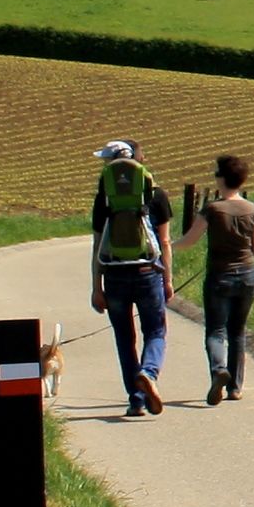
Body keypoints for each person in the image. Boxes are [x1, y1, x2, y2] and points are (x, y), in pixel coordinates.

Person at [89, 139, 173, 416]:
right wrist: (168, 280)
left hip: (113, 274)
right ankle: (149, 372)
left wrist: (96, 287)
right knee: (156, 331)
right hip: (148, 272)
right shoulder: (156, 194)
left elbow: (98, 243)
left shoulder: (104, 199)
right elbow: (164, 241)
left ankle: (136, 400)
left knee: (125, 338)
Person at [192, 153, 254, 405]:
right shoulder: (252, 209)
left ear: (222, 179)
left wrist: (166, 245)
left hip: (219, 276)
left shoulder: (212, 209)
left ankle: (218, 369)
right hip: (247, 275)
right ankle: (235, 387)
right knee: (238, 331)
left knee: (216, 330)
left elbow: (189, 240)